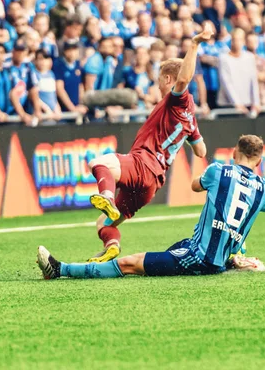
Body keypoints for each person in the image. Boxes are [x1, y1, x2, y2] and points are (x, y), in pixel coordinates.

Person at [37, 135, 265, 280]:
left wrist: (204, 181)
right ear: (260, 161)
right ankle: (236, 257)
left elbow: (195, 186)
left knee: (129, 263)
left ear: (234, 152)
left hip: (200, 259)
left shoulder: (218, 170)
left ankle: (61, 270)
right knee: (182, 244)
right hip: (211, 253)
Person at [81, 24, 213, 263]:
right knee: (104, 223)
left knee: (99, 162)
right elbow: (201, 150)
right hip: (152, 184)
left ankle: (108, 198)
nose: (157, 86)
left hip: (144, 163)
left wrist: (194, 44)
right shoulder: (189, 116)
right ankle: (112, 245)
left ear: (167, 79)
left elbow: (184, 78)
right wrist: (189, 132)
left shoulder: (175, 99)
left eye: (159, 80)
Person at [217, 28, 260, 114]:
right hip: (227, 104)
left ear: (244, 41)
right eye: (234, 40)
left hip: (247, 103)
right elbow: (226, 82)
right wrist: (237, 103)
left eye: (240, 40)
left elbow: (253, 80)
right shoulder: (223, 58)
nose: (237, 42)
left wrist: (256, 102)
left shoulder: (250, 57)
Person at [53, 39, 86, 115]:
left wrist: (81, 104)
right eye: (69, 50)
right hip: (65, 111)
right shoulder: (59, 65)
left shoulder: (78, 64)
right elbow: (59, 89)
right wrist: (72, 108)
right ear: (65, 51)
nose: (72, 53)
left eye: (74, 50)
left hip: (78, 108)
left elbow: (80, 86)